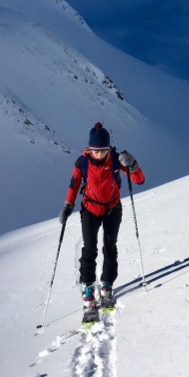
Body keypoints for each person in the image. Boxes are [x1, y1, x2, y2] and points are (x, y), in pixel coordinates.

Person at [59, 122, 145, 310]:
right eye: (94, 151)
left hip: (112, 209)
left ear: (108, 149)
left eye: (102, 151)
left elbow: (139, 180)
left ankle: (107, 284)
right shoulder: (82, 162)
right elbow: (74, 185)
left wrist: (133, 163)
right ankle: (88, 288)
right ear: (89, 149)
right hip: (90, 209)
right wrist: (68, 205)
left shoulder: (116, 160)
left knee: (110, 246)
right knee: (89, 249)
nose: (98, 154)